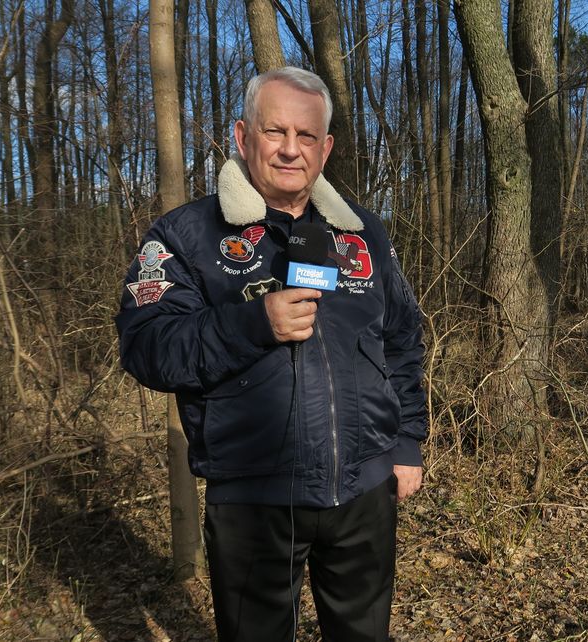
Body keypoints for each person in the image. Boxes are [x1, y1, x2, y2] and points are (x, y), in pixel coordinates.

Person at [115, 66, 427, 641]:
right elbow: (146, 347)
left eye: (306, 136)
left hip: (363, 490)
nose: (290, 149)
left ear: (326, 147)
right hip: (253, 496)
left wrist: (406, 444)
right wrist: (253, 324)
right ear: (242, 136)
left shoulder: (361, 236)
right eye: (274, 131)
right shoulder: (187, 236)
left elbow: (403, 340)